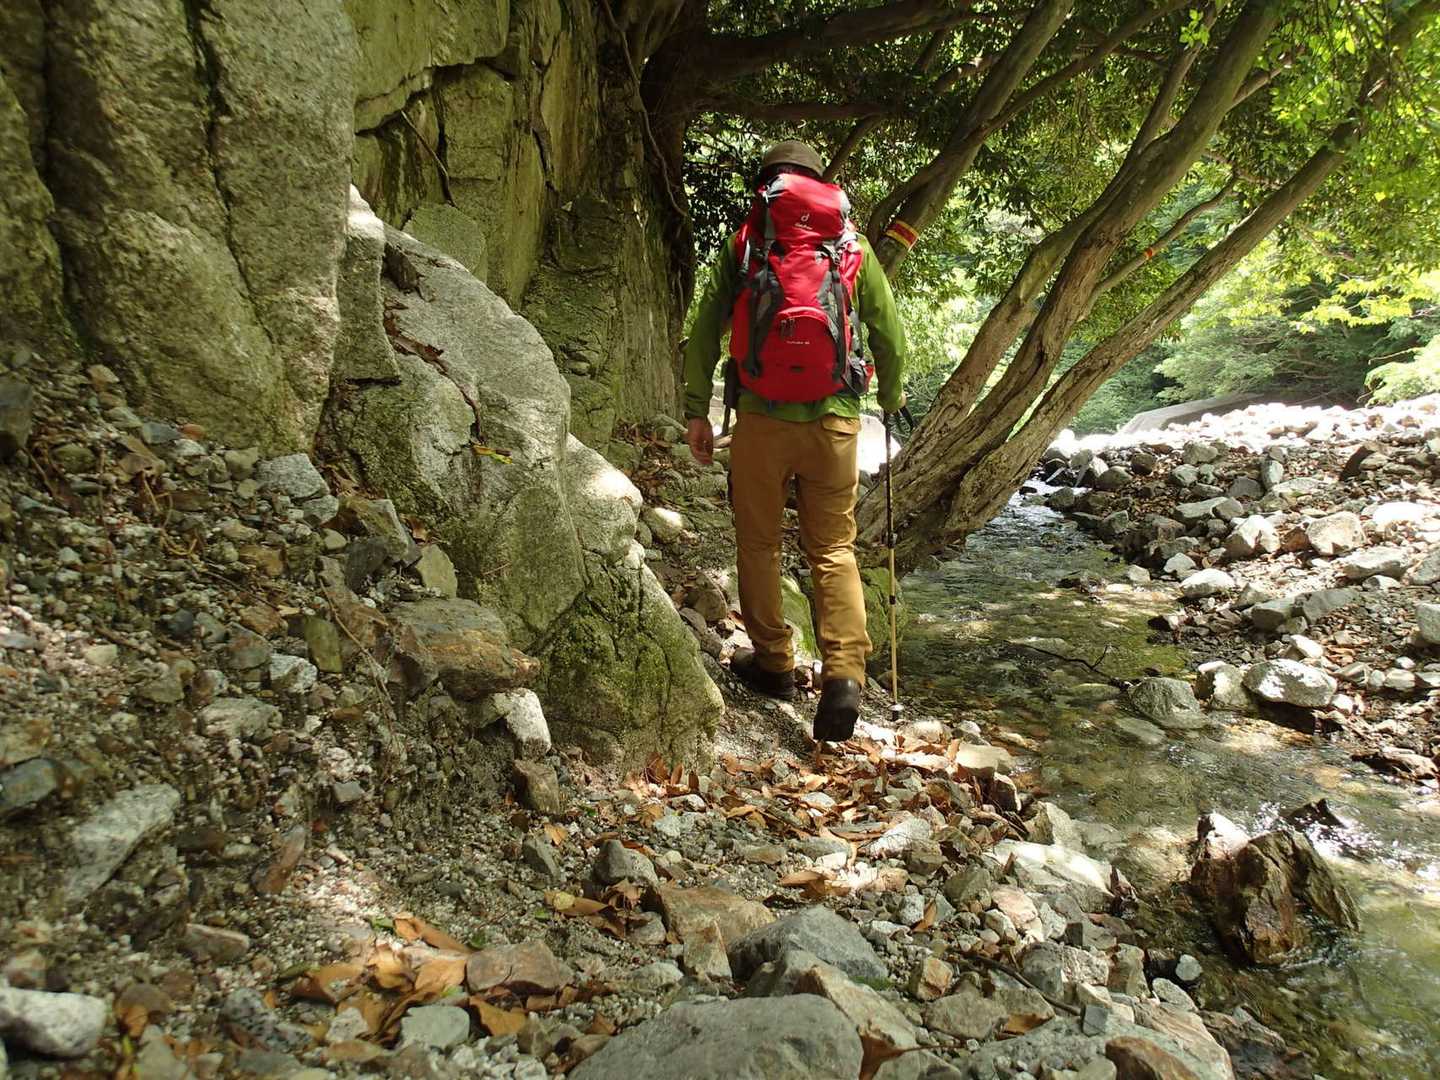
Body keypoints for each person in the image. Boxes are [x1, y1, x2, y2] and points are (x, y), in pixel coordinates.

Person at [682, 139, 906, 742]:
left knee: (759, 543)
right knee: (833, 548)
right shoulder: (851, 245)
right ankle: (845, 675)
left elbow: (706, 329)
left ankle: (775, 664)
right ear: (818, 183)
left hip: (760, 420)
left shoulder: (747, 243)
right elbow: (888, 332)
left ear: (767, 185)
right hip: (835, 422)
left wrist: (696, 410)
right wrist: (891, 398)